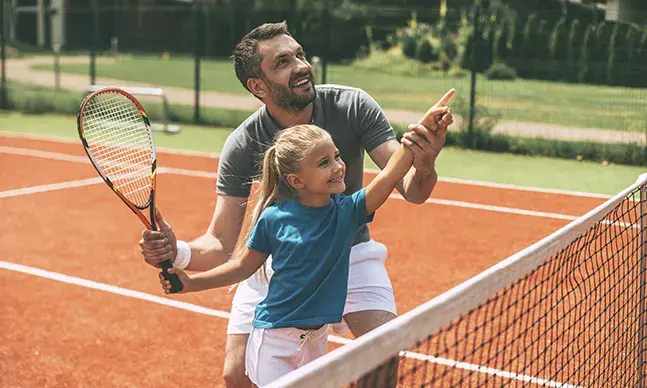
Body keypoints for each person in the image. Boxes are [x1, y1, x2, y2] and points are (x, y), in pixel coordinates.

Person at [139, 21, 454, 387]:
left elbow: (410, 189)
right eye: (283, 62)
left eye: (300, 55)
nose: (302, 66)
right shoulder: (243, 144)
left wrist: (425, 162)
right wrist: (175, 253)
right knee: (237, 375)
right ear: (258, 86)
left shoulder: (352, 105)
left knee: (381, 354)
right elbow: (221, 244)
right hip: (280, 259)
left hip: (349, 250)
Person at [160, 123, 417, 386]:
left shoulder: (348, 211)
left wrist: (412, 142)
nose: (338, 166)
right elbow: (241, 267)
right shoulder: (274, 219)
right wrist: (191, 284)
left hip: (315, 341)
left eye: (337, 156)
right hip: (274, 342)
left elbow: (389, 176)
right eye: (324, 162)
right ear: (296, 180)